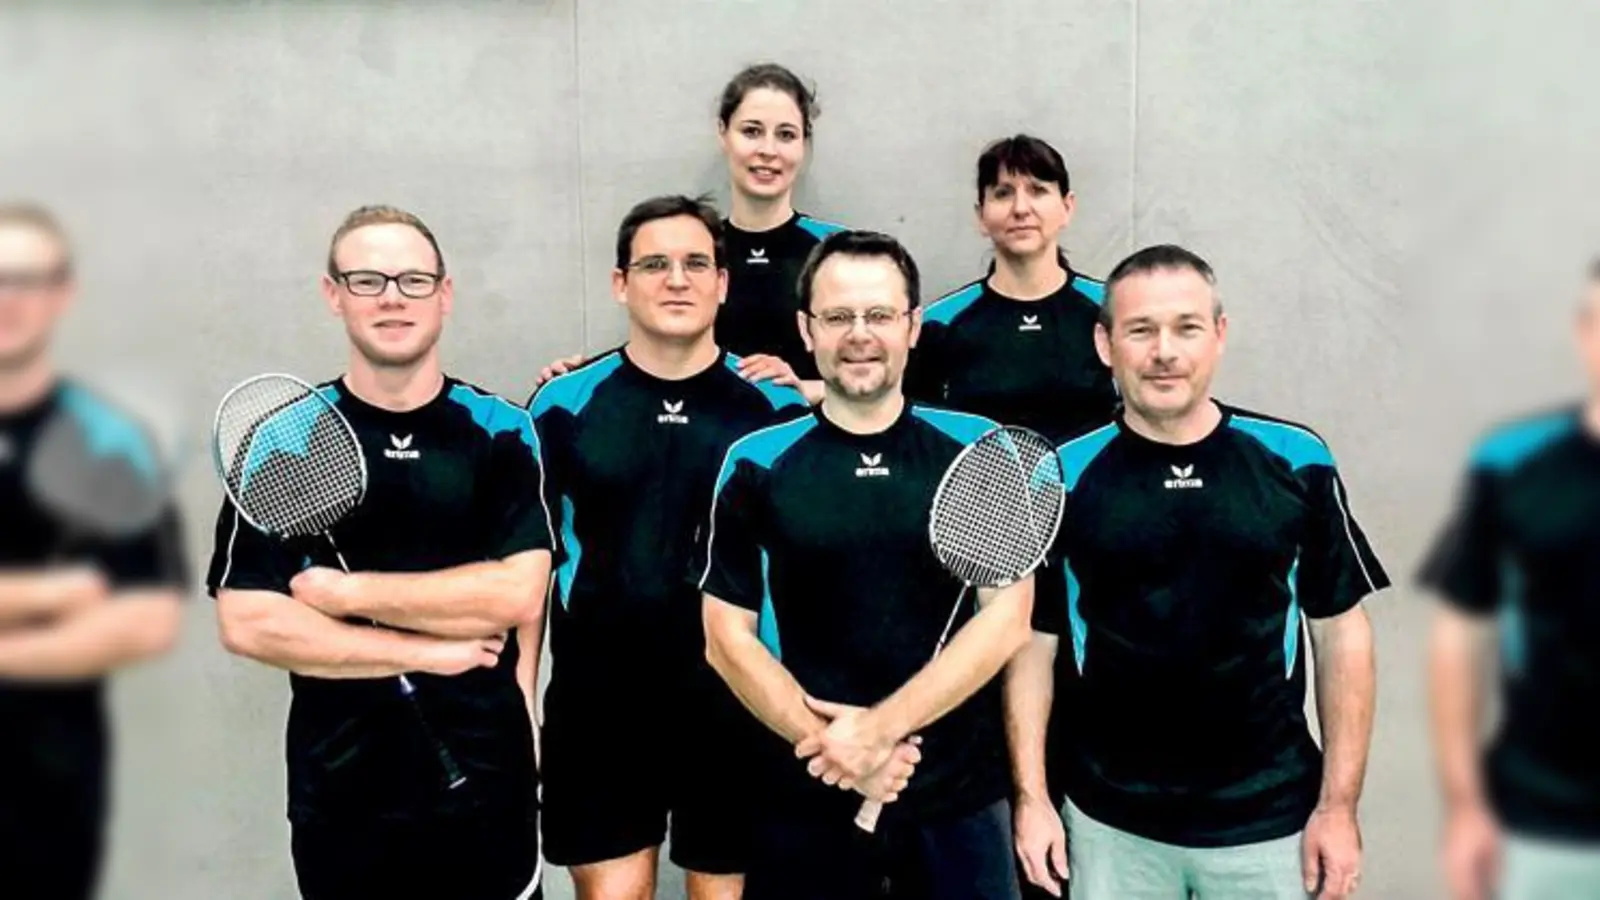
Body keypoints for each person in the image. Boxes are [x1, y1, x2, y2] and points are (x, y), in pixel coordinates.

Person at [1010, 244, 1388, 900]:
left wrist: (1338, 807)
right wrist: (1033, 798)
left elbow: (1341, 636)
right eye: (1140, 330)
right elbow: (1032, 647)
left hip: (1271, 827)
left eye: (1186, 328)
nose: (1164, 351)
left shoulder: (1297, 461)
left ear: (1218, 335)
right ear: (1105, 343)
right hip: (1110, 828)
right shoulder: (1059, 477)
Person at [205, 205, 552, 900]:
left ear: (445, 295)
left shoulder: (500, 431)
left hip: (485, 786)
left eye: (414, 280)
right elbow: (250, 622)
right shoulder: (284, 438)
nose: (393, 296)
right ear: (333, 294)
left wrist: (345, 596)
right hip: (342, 795)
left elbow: (514, 595)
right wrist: (427, 649)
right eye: (367, 279)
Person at [701, 229, 1034, 900]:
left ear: (913, 326)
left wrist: (875, 733)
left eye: (879, 315)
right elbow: (725, 640)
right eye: (839, 316)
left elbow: (1008, 621)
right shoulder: (756, 460)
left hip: (957, 804)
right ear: (807, 329)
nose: (860, 334)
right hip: (808, 798)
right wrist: (839, 754)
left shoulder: (980, 452)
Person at [528, 194, 809, 900]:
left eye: (694, 264)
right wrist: (521, 697)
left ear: (723, 282)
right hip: (600, 707)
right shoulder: (562, 406)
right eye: (654, 265)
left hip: (735, 708)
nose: (676, 279)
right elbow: (533, 567)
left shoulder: (776, 412)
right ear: (622, 283)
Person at [0, 204, 188, 900]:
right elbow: (100, 601)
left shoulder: (108, 443)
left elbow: (146, 617)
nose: (8, 299)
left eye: (26, 278)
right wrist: (52, 595)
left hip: (45, 805)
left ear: (62, 294)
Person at [1418, 259, 1600, 900]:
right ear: (1584, 334)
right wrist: (1466, 806)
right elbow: (1459, 635)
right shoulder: (1514, 466)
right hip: (1542, 825)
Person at [535, 62, 847, 404]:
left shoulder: (839, 254)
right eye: (752, 131)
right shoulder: (690, 250)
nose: (768, 151)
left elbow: (889, 378)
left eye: (786, 134)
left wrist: (804, 389)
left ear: (804, 144)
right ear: (723, 133)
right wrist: (583, 378)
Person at [907, 134, 1117, 444]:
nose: (1021, 208)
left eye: (1038, 191)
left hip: (1093, 492)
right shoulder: (940, 324)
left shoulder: (1114, 312)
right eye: (1003, 193)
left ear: (1067, 207)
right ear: (981, 215)